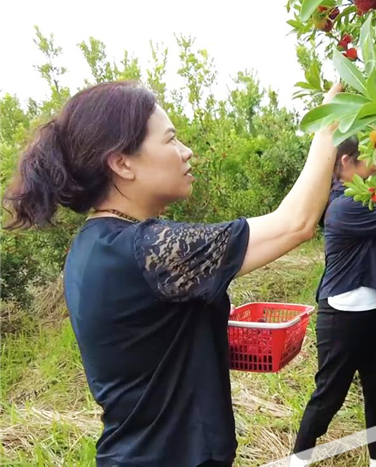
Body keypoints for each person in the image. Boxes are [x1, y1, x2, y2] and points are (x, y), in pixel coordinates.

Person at [3, 80, 343, 467]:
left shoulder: (92, 245)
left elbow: (144, 343)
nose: (187, 152)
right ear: (121, 162)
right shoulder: (145, 249)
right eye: (171, 140)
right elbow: (294, 223)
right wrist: (329, 122)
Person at [291, 137, 376, 467]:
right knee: (329, 395)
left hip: (371, 311)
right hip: (342, 317)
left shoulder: (361, 198)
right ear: (345, 162)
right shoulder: (345, 204)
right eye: (369, 155)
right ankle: (298, 461)